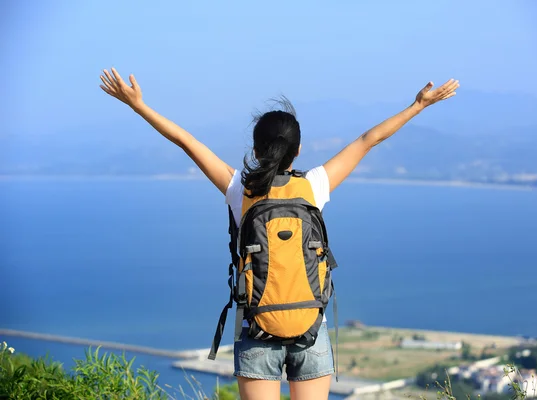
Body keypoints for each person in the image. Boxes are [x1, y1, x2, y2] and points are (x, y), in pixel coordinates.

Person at [99, 67, 459, 400]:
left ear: (255, 151)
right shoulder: (315, 186)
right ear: (298, 149)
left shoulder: (239, 188)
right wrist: (418, 105)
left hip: (258, 331)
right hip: (309, 329)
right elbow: (369, 139)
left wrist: (138, 106)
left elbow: (185, 141)